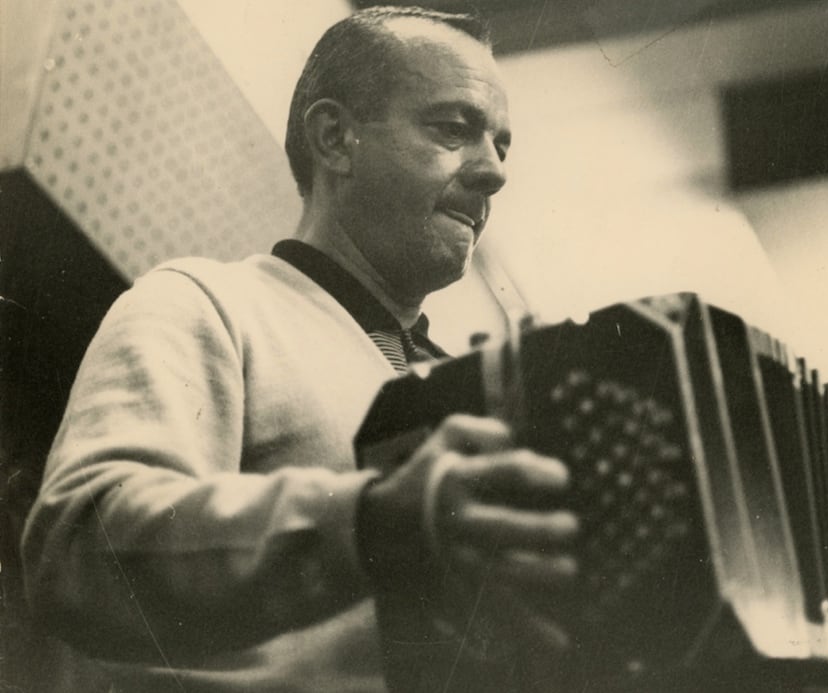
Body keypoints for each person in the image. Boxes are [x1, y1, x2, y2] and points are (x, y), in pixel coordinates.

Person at [21, 7, 578, 692]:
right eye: (453, 129)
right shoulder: (204, 303)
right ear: (335, 138)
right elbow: (80, 549)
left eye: (501, 145)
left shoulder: (466, 382)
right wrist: (367, 523)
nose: (494, 172)